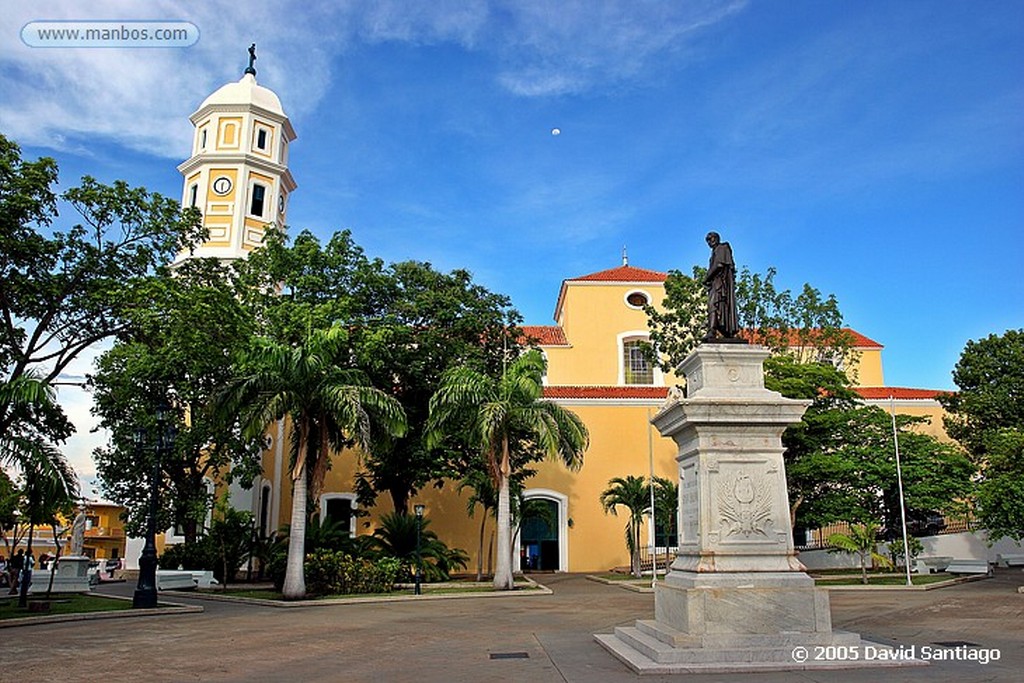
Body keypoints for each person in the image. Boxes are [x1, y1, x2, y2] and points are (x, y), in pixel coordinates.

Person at [703, 231, 740, 340]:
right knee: (716, 305)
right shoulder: (715, 251)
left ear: (717, 238)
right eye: (708, 241)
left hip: (720, 283)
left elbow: (719, 265)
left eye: (711, 239)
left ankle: (712, 330)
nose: (710, 242)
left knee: (713, 304)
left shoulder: (722, 248)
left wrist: (706, 277)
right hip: (716, 282)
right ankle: (723, 330)